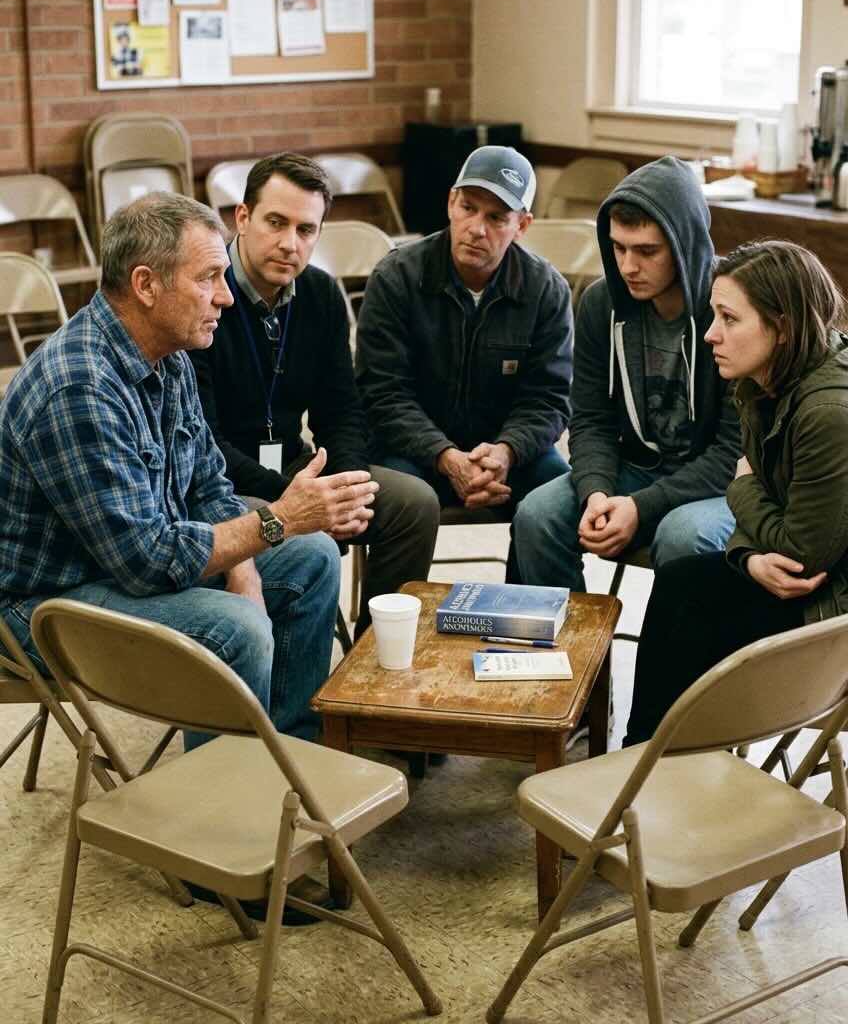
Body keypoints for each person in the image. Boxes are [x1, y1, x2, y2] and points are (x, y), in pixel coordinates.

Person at [0, 192, 373, 751]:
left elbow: (209, 484)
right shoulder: (77, 388)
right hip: (47, 608)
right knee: (236, 628)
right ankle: (222, 807)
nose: (225, 297)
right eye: (208, 279)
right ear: (147, 285)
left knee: (314, 556)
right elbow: (146, 563)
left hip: (118, 568)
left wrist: (245, 572)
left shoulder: (168, 351)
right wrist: (275, 522)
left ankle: (289, 753)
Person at [188, 153, 439, 637]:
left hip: (295, 467)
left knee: (413, 504)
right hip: (221, 482)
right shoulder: (206, 296)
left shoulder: (321, 295)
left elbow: (342, 409)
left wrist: (343, 487)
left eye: (306, 230)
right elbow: (204, 443)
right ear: (242, 218)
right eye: (276, 223)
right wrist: (300, 500)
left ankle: (370, 658)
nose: (289, 244)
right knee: (301, 531)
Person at [625, 240, 848, 743]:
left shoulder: (827, 413)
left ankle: (653, 761)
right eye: (713, 316)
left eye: (729, 318)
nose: (710, 335)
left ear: (783, 327)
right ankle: (653, 759)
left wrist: (741, 488)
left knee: (688, 610)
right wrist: (746, 556)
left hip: (832, 607)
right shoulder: (760, 382)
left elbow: (799, 557)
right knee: (682, 587)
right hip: (805, 576)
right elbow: (756, 524)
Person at [512, 155, 739, 589]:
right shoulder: (601, 304)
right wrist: (596, 492)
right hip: (636, 467)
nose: (628, 266)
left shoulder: (728, 305)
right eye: (618, 247)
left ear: (684, 244)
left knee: (683, 537)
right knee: (537, 515)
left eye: (647, 251)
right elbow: (592, 420)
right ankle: (571, 655)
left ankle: (672, 658)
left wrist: (641, 506)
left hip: (715, 483)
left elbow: (732, 454)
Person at [354, 145, 573, 570]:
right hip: (411, 451)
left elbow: (549, 400)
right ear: (451, 202)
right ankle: (387, 629)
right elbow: (382, 393)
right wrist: (445, 456)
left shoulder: (546, 289)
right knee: (406, 499)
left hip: (506, 457)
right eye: (468, 208)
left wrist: (506, 453)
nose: (477, 228)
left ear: (522, 225)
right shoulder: (396, 277)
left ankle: (535, 622)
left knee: (556, 496)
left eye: (496, 218)